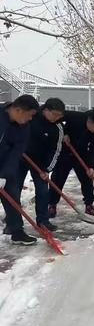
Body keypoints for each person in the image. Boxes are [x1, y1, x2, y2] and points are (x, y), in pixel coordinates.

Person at [17, 98, 65, 233]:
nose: (57, 118)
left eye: (59, 115)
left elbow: (56, 151)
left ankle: (43, 221)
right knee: (14, 188)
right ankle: (13, 221)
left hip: (40, 163)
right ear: (45, 110)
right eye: (54, 114)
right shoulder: (31, 116)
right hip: (21, 157)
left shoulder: (58, 128)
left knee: (43, 191)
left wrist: (47, 169)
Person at [48, 108, 94, 217]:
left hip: (81, 155)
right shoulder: (76, 117)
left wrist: (91, 166)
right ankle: (52, 204)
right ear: (89, 122)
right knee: (57, 179)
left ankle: (89, 205)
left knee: (87, 179)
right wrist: (63, 133)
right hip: (65, 153)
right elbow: (57, 118)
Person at [0, 95, 39, 245]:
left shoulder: (24, 127)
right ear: (18, 110)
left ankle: (17, 232)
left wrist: (4, 175)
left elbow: (17, 152)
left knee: (13, 197)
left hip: (5, 166)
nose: (30, 119)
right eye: (29, 115)